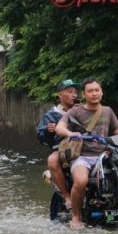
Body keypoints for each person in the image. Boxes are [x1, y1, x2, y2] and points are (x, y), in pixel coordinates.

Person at [54, 77, 118, 230]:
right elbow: (60, 127)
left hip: (104, 155)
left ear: (102, 92)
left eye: (97, 90)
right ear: (84, 94)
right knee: (81, 181)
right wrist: (71, 133)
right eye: (90, 91)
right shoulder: (76, 111)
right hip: (83, 157)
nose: (94, 94)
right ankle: (76, 217)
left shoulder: (107, 111)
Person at [36, 79, 80, 211]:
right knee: (52, 160)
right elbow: (42, 138)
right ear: (60, 95)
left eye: (75, 92)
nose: (74, 95)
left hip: (84, 146)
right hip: (62, 148)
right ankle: (67, 197)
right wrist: (48, 131)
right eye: (70, 92)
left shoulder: (82, 110)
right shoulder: (52, 115)